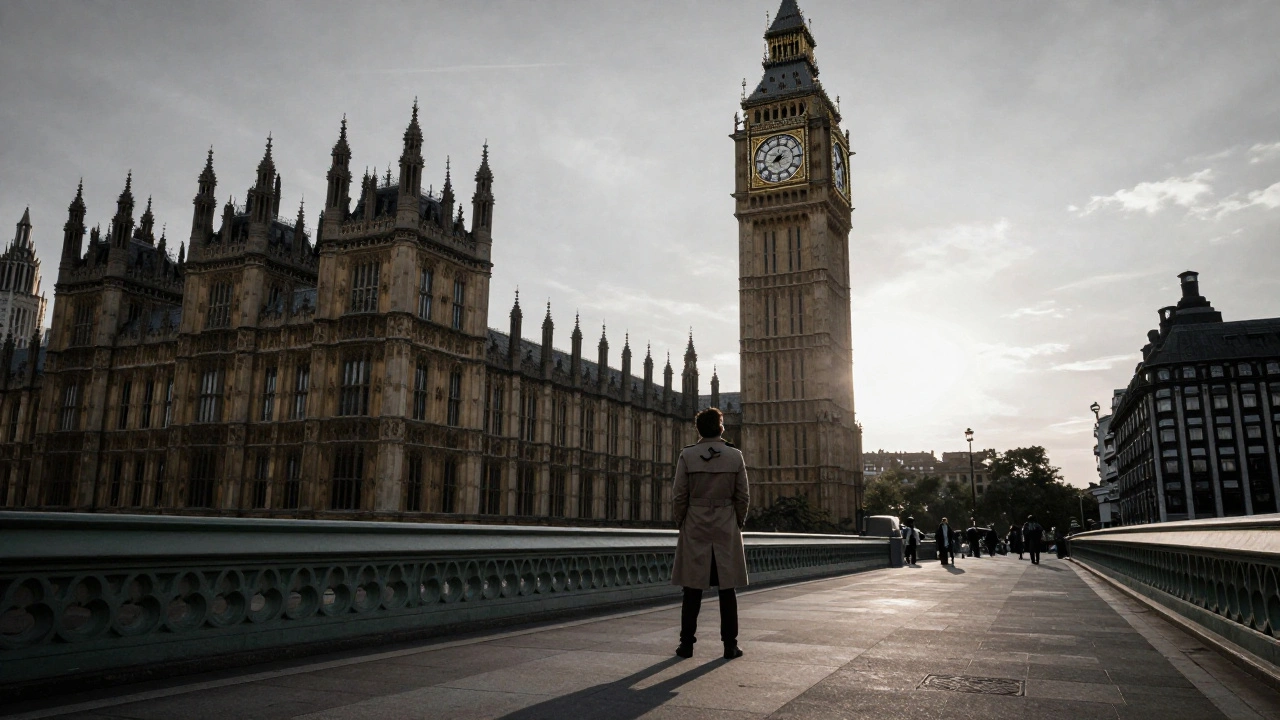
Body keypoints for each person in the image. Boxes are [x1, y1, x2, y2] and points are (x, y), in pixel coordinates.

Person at [672, 407, 750, 660]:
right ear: (721, 428)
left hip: (695, 523)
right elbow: (743, 497)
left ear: (698, 429)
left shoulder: (688, 455)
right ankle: (730, 646)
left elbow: (679, 496)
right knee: (727, 589)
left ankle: (686, 645)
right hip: (726, 524)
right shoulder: (735, 456)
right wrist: (737, 521)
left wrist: (682, 522)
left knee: (692, 588)